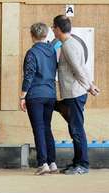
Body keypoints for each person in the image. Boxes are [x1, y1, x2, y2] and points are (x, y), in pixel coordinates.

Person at [52, 15, 100, 175]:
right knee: (74, 128)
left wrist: (88, 87)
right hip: (73, 94)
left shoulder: (67, 46)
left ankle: (83, 164)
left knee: (76, 129)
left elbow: (77, 69)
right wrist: (90, 84)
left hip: (74, 94)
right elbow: (82, 67)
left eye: (53, 27)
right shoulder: (73, 43)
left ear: (58, 29)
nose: (52, 30)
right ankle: (77, 162)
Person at [20, 23, 58, 175]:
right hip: (50, 94)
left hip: (35, 95)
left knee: (39, 129)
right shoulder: (52, 50)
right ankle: (52, 162)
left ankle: (42, 163)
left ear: (32, 34)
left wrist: (22, 96)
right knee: (47, 127)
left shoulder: (32, 52)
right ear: (46, 34)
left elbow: (29, 76)